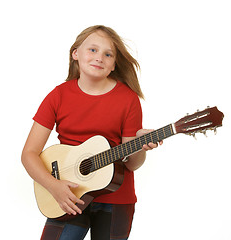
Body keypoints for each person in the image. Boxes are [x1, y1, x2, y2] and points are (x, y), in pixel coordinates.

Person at [21, 25, 162, 240]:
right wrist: (54, 186)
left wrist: (141, 146)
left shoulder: (128, 99)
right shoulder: (58, 95)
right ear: (75, 54)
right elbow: (29, 153)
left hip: (116, 198)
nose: (100, 58)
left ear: (114, 64)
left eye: (108, 54)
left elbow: (132, 164)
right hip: (68, 195)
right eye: (93, 50)